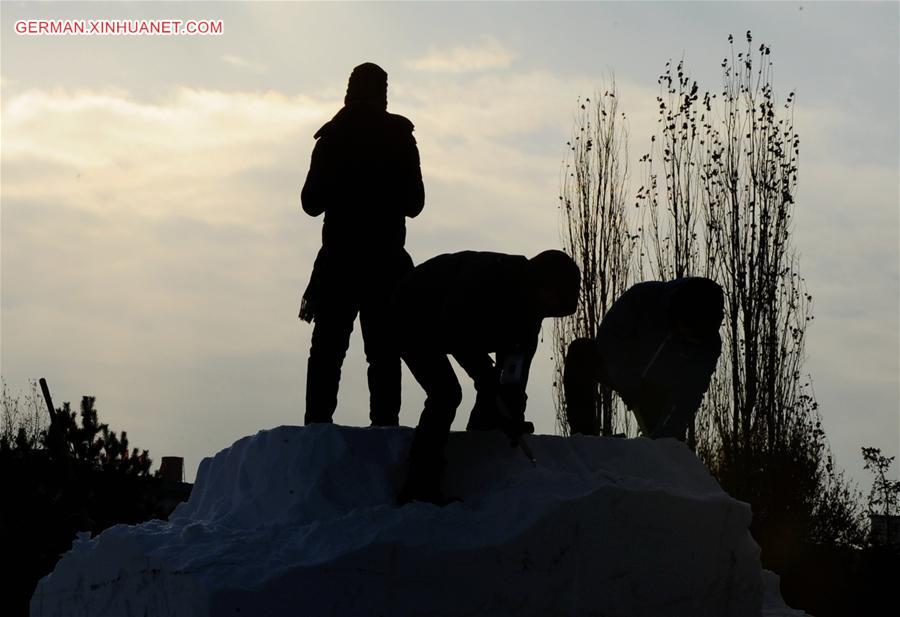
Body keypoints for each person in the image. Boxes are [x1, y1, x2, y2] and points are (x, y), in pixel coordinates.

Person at [392, 250, 580, 504]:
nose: (549, 310)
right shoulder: (493, 275)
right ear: (544, 283)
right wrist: (482, 372)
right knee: (446, 393)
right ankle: (419, 483)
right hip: (413, 310)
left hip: (454, 324)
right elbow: (454, 322)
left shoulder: (530, 316)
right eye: (552, 300)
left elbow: (514, 373)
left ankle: (478, 453)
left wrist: (512, 412)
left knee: (494, 398)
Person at [300, 62, 425, 427]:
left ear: (349, 92)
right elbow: (415, 204)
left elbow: (310, 204)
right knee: (384, 352)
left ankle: (316, 429)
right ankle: (384, 429)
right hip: (385, 264)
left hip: (339, 262)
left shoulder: (333, 138)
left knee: (327, 351)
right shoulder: (400, 138)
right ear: (383, 95)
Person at [563, 277, 724, 440]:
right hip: (620, 367)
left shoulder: (709, 346)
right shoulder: (643, 297)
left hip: (659, 393)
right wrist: (626, 378)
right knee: (581, 352)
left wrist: (666, 436)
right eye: (689, 334)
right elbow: (609, 337)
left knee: (667, 445)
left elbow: (689, 394)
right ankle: (584, 437)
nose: (691, 341)